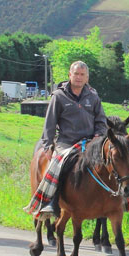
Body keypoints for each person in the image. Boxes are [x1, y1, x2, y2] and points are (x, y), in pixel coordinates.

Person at [26, 61, 108, 218]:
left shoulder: (93, 96)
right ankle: (51, 202)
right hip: (66, 142)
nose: (78, 77)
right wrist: (48, 146)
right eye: (76, 74)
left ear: (87, 77)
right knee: (58, 165)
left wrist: (99, 135)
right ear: (70, 75)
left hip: (90, 142)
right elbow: (49, 123)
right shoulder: (59, 96)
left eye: (82, 75)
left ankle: (119, 201)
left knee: (112, 163)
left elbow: (101, 121)